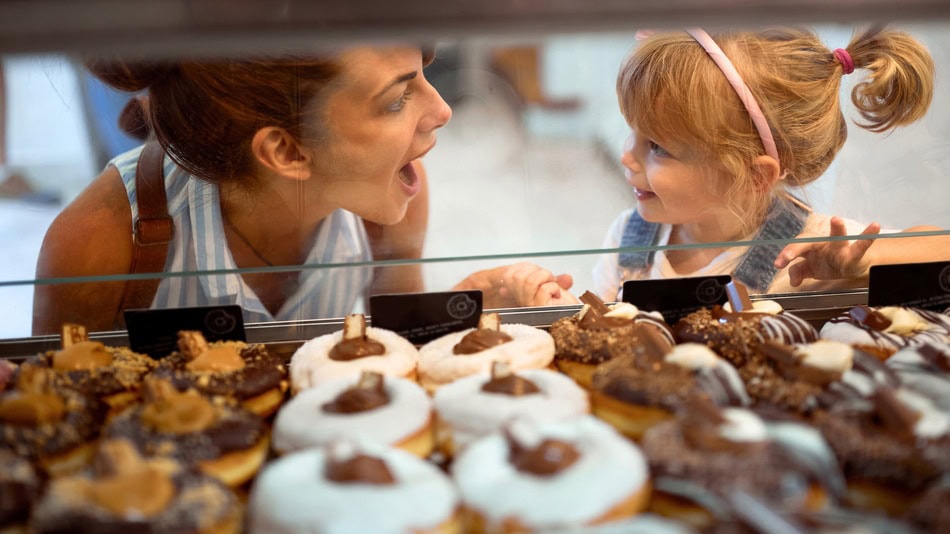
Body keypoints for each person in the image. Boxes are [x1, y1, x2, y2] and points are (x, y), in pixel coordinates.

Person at [32, 45, 463, 334]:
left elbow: (402, 346)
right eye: (395, 100)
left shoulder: (394, 197)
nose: (443, 111)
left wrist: (461, 320)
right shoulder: (98, 243)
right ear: (286, 151)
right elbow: (52, 420)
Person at [583, 25, 950, 303]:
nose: (626, 156)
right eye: (633, 131)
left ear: (754, 175)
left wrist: (864, 263)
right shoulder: (629, 239)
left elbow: (942, 247)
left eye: (657, 147)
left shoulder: (813, 250)